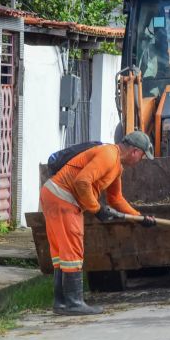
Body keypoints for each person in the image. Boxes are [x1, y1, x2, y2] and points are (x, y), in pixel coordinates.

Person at [40, 131, 158, 315]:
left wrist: (140, 218)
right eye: (143, 156)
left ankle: (61, 303)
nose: (141, 160)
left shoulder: (116, 165)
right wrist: (97, 210)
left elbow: (116, 199)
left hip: (54, 195)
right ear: (135, 151)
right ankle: (74, 303)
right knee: (72, 250)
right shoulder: (108, 155)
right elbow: (82, 182)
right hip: (62, 197)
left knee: (62, 252)